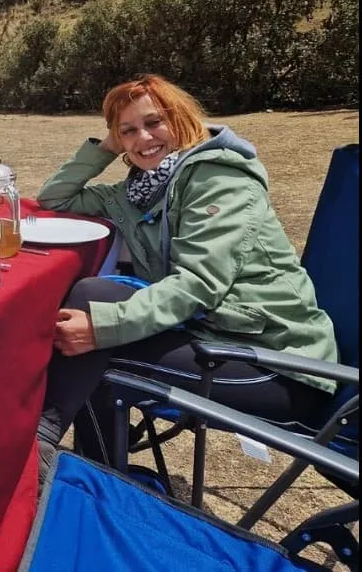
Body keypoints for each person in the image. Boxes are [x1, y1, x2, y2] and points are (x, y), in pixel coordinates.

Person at [34, 74, 337, 480]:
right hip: (215, 335)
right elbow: (56, 197)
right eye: (129, 131)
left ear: (180, 119)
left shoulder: (218, 177)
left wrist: (103, 329)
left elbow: (199, 283)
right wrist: (107, 145)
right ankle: (87, 465)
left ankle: (61, 460)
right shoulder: (138, 191)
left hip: (278, 363)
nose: (143, 138)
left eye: (154, 123)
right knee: (91, 293)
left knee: (97, 349)